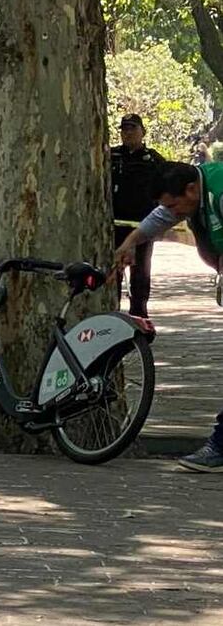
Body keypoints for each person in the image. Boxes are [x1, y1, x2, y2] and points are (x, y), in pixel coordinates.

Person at [114, 160, 223, 472]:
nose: (173, 214)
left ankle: (220, 446)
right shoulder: (193, 192)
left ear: (190, 189)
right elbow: (159, 217)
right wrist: (131, 242)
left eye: (175, 205)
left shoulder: (219, 192)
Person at [111, 114, 165, 317]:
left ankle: (139, 314)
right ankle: (112, 315)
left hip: (143, 225)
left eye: (133, 128)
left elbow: (166, 187)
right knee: (113, 272)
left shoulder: (152, 159)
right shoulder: (112, 156)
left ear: (143, 131)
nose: (128, 133)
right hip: (114, 226)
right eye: (124, 129)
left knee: (141, 274)